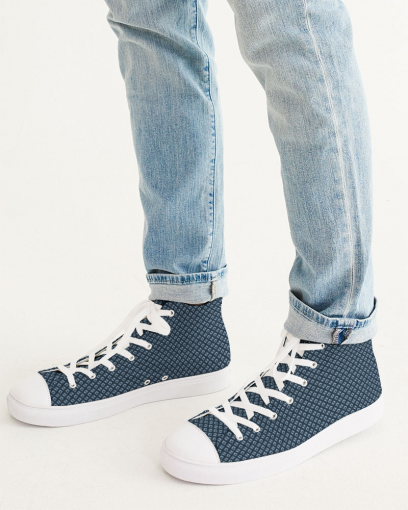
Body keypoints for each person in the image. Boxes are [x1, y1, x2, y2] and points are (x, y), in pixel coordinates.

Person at [7, 0, 382, 485]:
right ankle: (186, 315)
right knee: (150, 18)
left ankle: (338, 345)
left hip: (339, 346)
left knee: (289, 19)